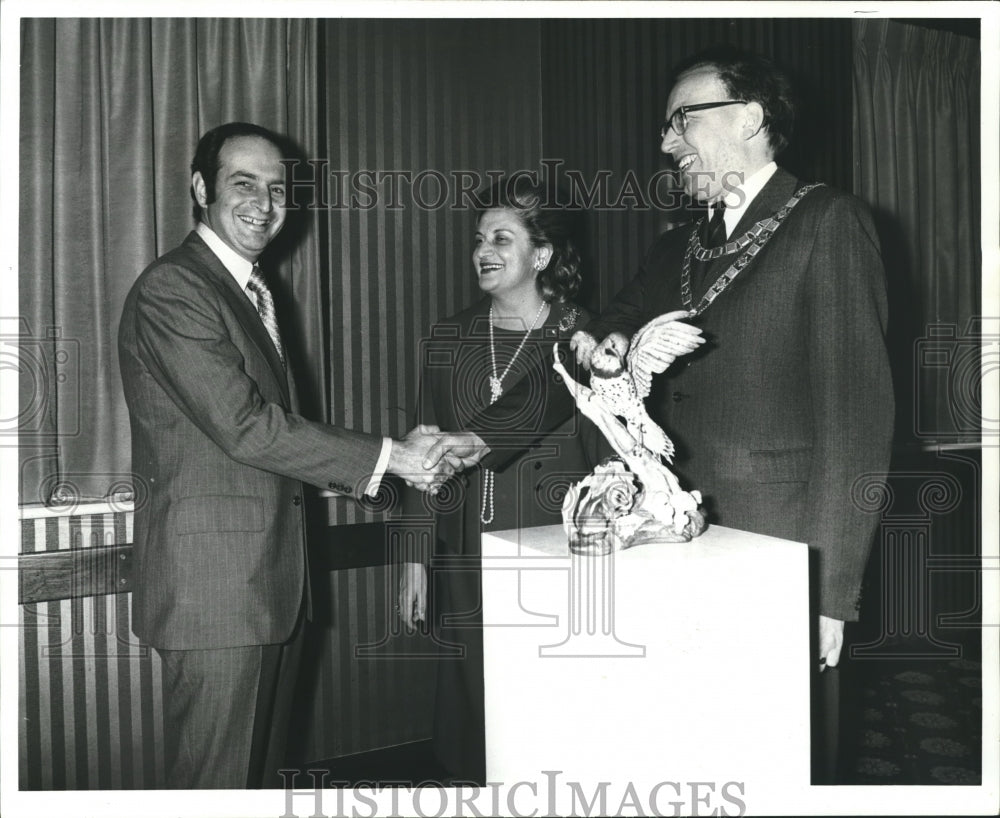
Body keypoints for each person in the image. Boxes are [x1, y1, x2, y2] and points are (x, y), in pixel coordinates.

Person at [573, 47, 894, 783]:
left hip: (783, 555)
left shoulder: (827, 221)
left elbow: (858, 419)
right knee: (692, 749)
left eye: (682, 120)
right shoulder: (677, 245)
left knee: (775, 760)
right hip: (679, 545)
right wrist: (607, 343)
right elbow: (615, 322)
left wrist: (833, 591)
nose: (665, 143)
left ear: (750, 119)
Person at [117, 122, 459, 789]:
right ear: (199, 189)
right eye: (243, 184)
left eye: (278, 189)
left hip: (267, 587)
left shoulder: (251, 291)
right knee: (214, 790)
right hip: (217, 596)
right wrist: (394, 456)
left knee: (251, 783)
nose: (265, 203)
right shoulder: (176, 289)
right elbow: (246, 427)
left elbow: (263, 442)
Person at [396, 178, 609, 784]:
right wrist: (415, 558)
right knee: (478, 707)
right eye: (478, 239)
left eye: (500, 237)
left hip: (557, 554)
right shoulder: (448, 336)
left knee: (551, 714)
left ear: (541, 254)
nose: (482, 250)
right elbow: (419, 453)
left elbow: (606, 456)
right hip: (467, 554)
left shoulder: (583, 336)